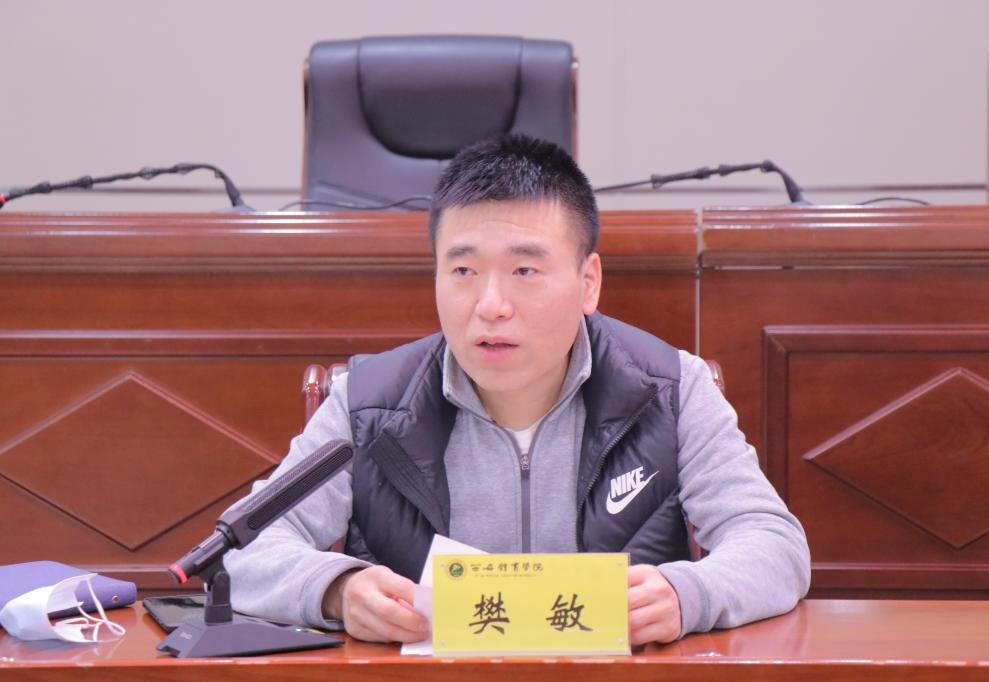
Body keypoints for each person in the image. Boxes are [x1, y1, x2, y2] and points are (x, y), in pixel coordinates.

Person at [224, 134, 810, 645]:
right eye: (463, 271)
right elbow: (240, 550)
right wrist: (336, 589)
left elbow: (773, 544)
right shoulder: (367, 404)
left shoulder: (671, 390)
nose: (490, 305)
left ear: (588, 282)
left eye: (525, 271)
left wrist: (688, 594)